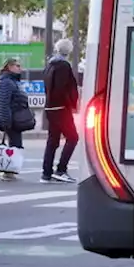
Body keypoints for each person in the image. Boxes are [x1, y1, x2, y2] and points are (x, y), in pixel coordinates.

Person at [42, 39, 81, 184]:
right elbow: (65, 88)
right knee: (73, 137)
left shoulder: (50, 65)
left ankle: (46, 173)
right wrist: (72, 103)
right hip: (61, 108)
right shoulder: (64, 66)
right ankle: (61, 169)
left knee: (52, 140)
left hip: (50, 107)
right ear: (68, 51)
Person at [0, 58, 34, 181]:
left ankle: (8, 170)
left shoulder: (12, 81)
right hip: (10, 119)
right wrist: (7, 122)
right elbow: (3, 104)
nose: (20, 68)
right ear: (9, 67)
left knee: (15, 145)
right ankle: (7, 171)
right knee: (15, 144)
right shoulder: (6, 82)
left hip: (14, 119)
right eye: (17, 65)